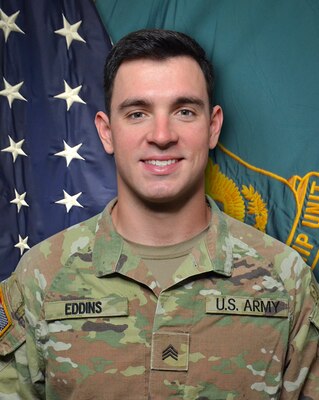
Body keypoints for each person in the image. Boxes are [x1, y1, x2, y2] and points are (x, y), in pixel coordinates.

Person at [0, 29, 318, 400]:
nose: (162, 135)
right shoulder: (41, 276)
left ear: (212, 127)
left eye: (184, 111)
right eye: (137, 113)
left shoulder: (286, 279)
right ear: (106, 132)